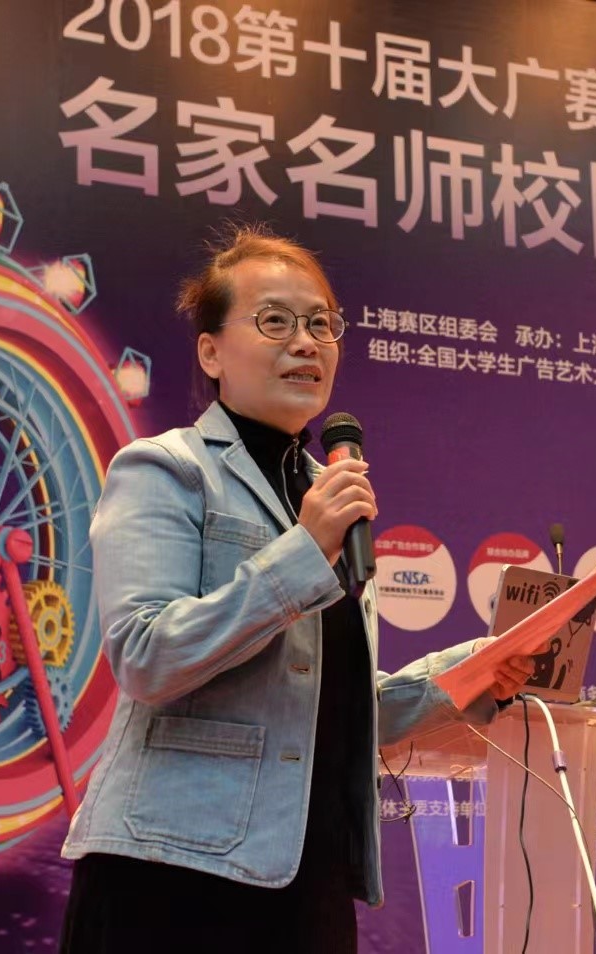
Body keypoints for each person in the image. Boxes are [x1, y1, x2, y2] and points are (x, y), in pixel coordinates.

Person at [58, 225, 535, 953]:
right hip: (172, 876)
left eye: (321, 323)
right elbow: (147, 656)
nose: (306, 343)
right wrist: (306, 550)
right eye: (276, 321)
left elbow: (324, 705)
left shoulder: (326, 494)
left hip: (308, 878)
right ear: (211, 352)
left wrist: (469, 675)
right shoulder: (165, 469)